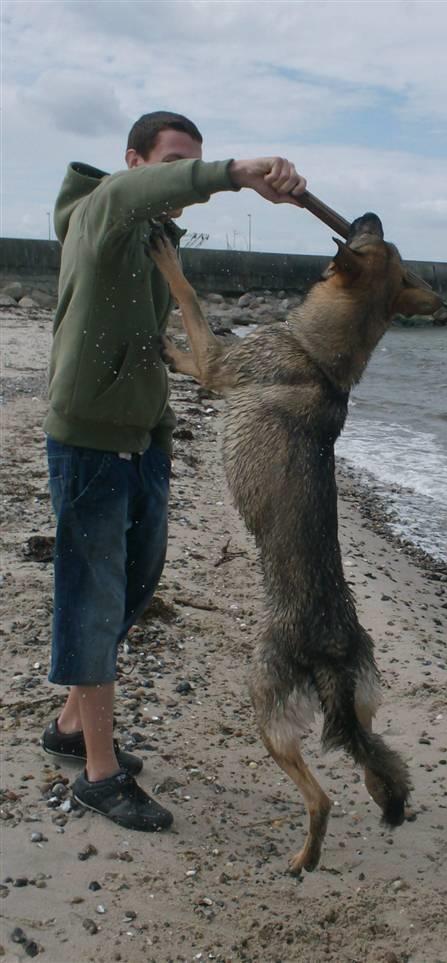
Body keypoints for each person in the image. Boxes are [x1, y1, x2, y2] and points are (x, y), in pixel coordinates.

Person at [40, 110, 307, 831]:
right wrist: (238, 174)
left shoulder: (158, 240)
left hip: (143, 436)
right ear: (134, 162)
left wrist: (161, 427)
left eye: (194, 160)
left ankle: (71, 725)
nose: (181, 175)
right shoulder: (101, 211)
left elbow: (153, 339)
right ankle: (98, 773)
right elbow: (135, 196)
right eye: (171, 162)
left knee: (135, 585)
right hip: (89, 440)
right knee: (92, 597)